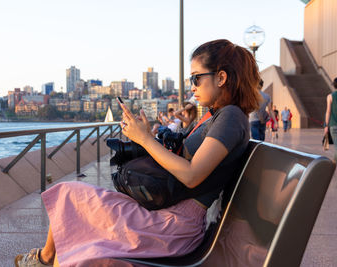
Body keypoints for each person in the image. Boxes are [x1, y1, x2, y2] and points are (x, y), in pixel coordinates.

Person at [14, 39, 262, 267]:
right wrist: (149, 139)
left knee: (74, 203)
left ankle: (44, 260)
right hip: (169, 212)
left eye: (196, 78)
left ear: (221, 77)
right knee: (71, 195)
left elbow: (191, 175)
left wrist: (144, 138)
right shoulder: (220, 115)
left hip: (174, 227)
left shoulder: (230, 117)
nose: (192, 88)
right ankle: (45, 259)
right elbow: (187, 162)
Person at [324, 77, 337, 162]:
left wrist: (326, 125)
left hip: (333, 125)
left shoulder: (330, 96)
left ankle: (333, 164)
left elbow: (328, 111)